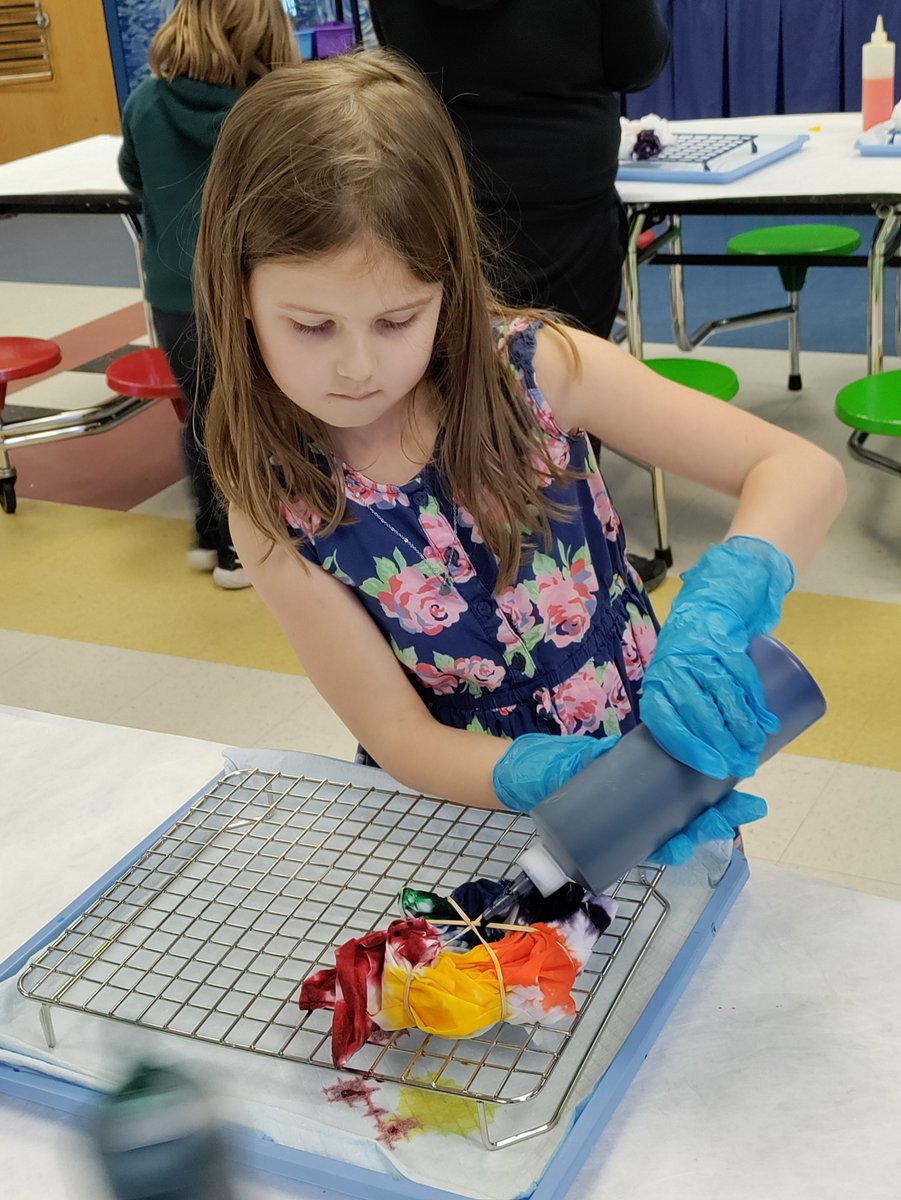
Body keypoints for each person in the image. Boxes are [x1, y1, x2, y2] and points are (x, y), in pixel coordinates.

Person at [194, 52, 845, 858]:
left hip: (651, 770)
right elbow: (398, 734)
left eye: (398, 320)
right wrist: (546, 776)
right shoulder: (277, 506)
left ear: (450, 285)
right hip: (462, 816)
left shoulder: (539, 371)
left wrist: (723, 604)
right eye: (311, 326)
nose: (357, 367)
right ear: (240, 294)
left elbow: (798, 471)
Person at [368, 0, 671, 589]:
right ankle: (570, 572)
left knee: (452, 382)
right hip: (565, 204)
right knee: (568, 385)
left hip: (447, 195)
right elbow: (639, 60)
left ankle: (464, 565)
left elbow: (401, 60)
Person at [117, 0, 301, 588]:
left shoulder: (146, 102)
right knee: (261, 418)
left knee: (203, 414)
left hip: (175, 296)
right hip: (251, 294)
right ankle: (242, 549)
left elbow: (133, 174)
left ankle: (209, 534)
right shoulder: (272, 112)